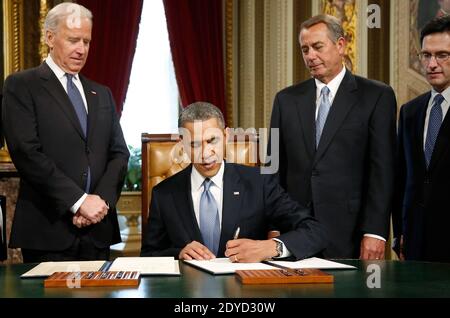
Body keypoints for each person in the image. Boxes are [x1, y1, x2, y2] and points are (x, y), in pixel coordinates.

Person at [1, 3, 129, 262]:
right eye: (73, 40)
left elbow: (119, 153)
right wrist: (79, 201)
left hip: (98, 231)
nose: (81, 49)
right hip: (48, 231)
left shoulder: (101, 93)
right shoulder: (21, 86)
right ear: (50, 37)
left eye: (87, 41)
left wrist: (98, 203)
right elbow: (27, 153)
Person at [269, 14, 397, 259]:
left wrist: (375, 232)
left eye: (317, 47)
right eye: (304, 49)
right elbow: (273, 166)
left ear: (340, 45)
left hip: (350, 233)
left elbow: (383, 171)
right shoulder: (285, 100)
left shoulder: (376, 96)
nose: (310, 56)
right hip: (293, 231)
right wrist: (273, 225)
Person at [141, 102, 327, 262]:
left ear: (226, 136)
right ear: (182, 143)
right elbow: (149, 256)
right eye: (195, 144)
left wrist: (271, 248)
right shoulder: (163, 193)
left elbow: (315, 231)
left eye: (212, 140)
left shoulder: (259, 183)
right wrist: (178, 253)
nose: (205, 153)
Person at [393, 16, 450, 262]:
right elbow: (402, 178)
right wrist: (400, 233)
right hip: (415, 243)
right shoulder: (410, 111)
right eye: (426, 55)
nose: (432, 64)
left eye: (442, 55)